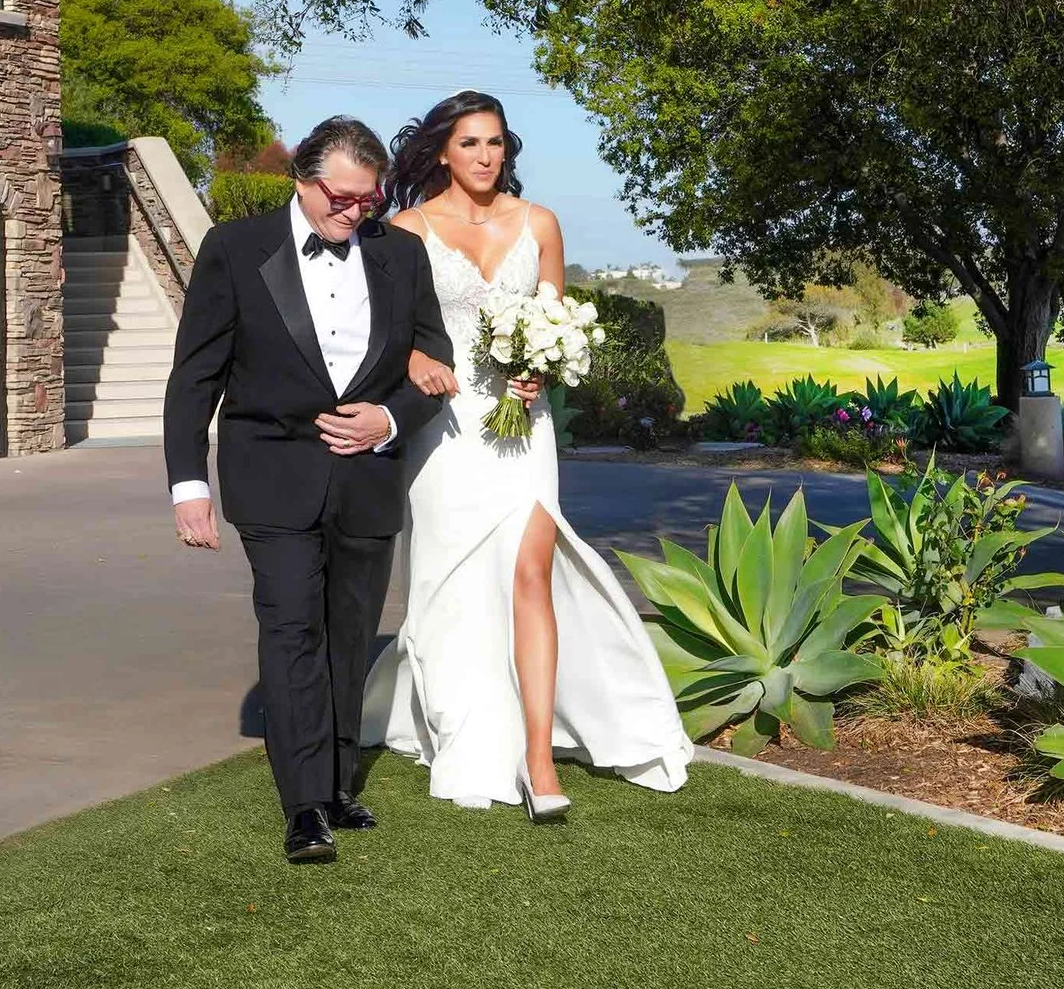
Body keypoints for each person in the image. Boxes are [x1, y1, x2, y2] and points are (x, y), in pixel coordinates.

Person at [361, 91, 692, 819]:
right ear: (442, 151)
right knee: (450, 586)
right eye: (470, 143)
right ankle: (468, 736)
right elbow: (381, 331)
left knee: (531, 572)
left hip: (524, 426)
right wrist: (414, 358)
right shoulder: (405, 230)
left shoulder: (539, 223)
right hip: (445, 429)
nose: (486, 156)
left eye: (496, 142)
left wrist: (544, 368)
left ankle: (539, 759)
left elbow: (557, 323)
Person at [164, 116, 454, 863]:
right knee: (293, 628)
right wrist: (188, 485)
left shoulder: (402, 254)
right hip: (271, 477)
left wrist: (389, 419)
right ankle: (303, 808)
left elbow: (436, 360)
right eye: (342, 197)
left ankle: (337, 785)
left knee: (350, 635)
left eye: (369, 199)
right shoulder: (234, 249)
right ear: (302, 177)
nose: (356, 212)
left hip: (369, 480)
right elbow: (195, 376)